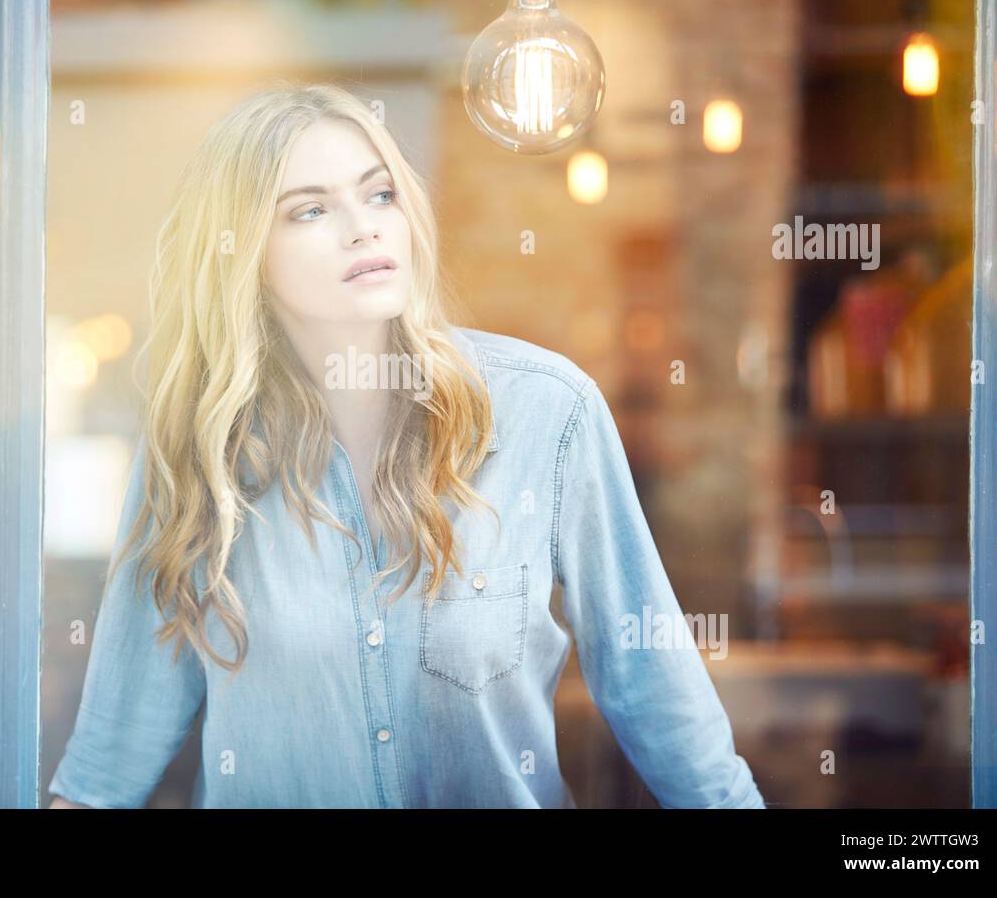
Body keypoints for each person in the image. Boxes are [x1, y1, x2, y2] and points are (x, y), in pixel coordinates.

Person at [48, 83, 765, 809]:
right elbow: (108, 764)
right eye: (310, 210)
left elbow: (652, 682)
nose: (363, 228)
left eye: (379, 194)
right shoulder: (202, 450)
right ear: (242, 254)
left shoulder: (547, 412)